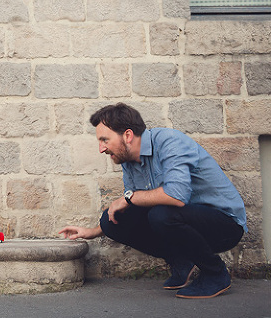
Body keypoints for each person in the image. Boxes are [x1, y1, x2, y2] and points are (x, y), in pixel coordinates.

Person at [59, 103, 246, 299]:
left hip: (226, 226)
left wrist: (129, 198)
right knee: (112, 221)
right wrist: (95, 231)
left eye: (105, 140)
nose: (101, 148)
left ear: (128, 135)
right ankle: (181, 261)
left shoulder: (170, 142)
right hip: (187, 223)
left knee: (161, 215)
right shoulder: (128, 161)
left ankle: (215, 274)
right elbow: (132, 207)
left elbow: (176, 196)